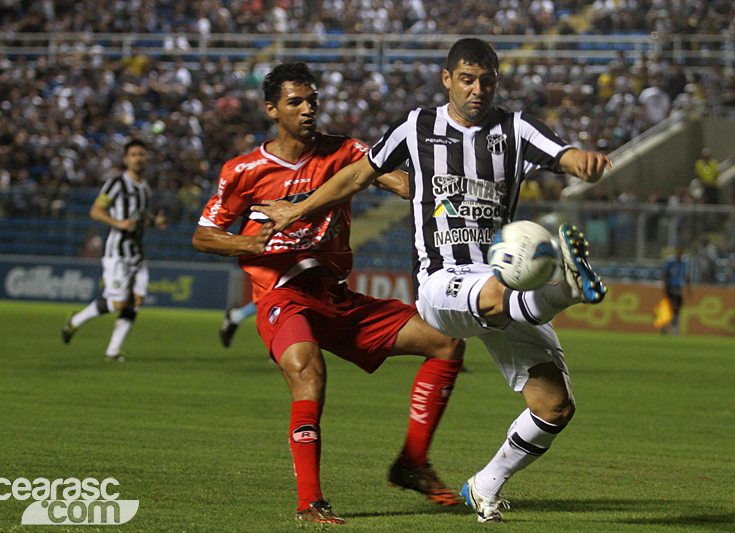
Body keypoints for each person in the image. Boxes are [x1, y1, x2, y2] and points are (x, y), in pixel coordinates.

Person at [254, 38, 611, 523]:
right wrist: (298, 208)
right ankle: (564, 289)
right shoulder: (417, 126)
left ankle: (484, 485)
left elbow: (563, 155)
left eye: (487, 80)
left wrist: (584, 163)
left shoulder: (516, 128)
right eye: (467, 79)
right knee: (499, 293)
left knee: (554, 406)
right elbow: (358, 174)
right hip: (444, 280)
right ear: (448, 80)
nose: (477, 89)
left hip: (502, 278)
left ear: (497, 82)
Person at [191, 63, 466, 525]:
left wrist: (427, 187)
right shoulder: (244, 170)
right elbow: (204, 235)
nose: (307, 108)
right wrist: (249, 243)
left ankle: (412, 464)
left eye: (312, 100)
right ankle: (310, 501)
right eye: (295, 101)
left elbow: (396, 181)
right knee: (308, 372)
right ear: (272, 109)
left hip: (337, 297)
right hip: (284, 294)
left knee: (445, 344)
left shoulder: (346, 151)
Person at [62, 139, 167, 361]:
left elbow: (140, 217)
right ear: (126, 159)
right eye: (134, 154)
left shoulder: (145, 187)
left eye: (142, 154)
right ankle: (75, 321)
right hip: (117, 251)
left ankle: (112, 351)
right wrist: (118, 223)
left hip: (137, 251)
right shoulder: (117, 183)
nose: (138, 158)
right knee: (118, 303)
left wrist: (154, 222)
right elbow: (96, 211)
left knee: (136, 300)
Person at [662, 245, 690, 335]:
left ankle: (674, 328)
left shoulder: (684, 262)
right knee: (669, 307)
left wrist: (689, 289)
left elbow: (686, 276)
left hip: (679, 287)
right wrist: (665, 287)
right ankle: (665, 326)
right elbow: (666, 274)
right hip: (671, 286)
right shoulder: (670, 261)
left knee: (677, 308)